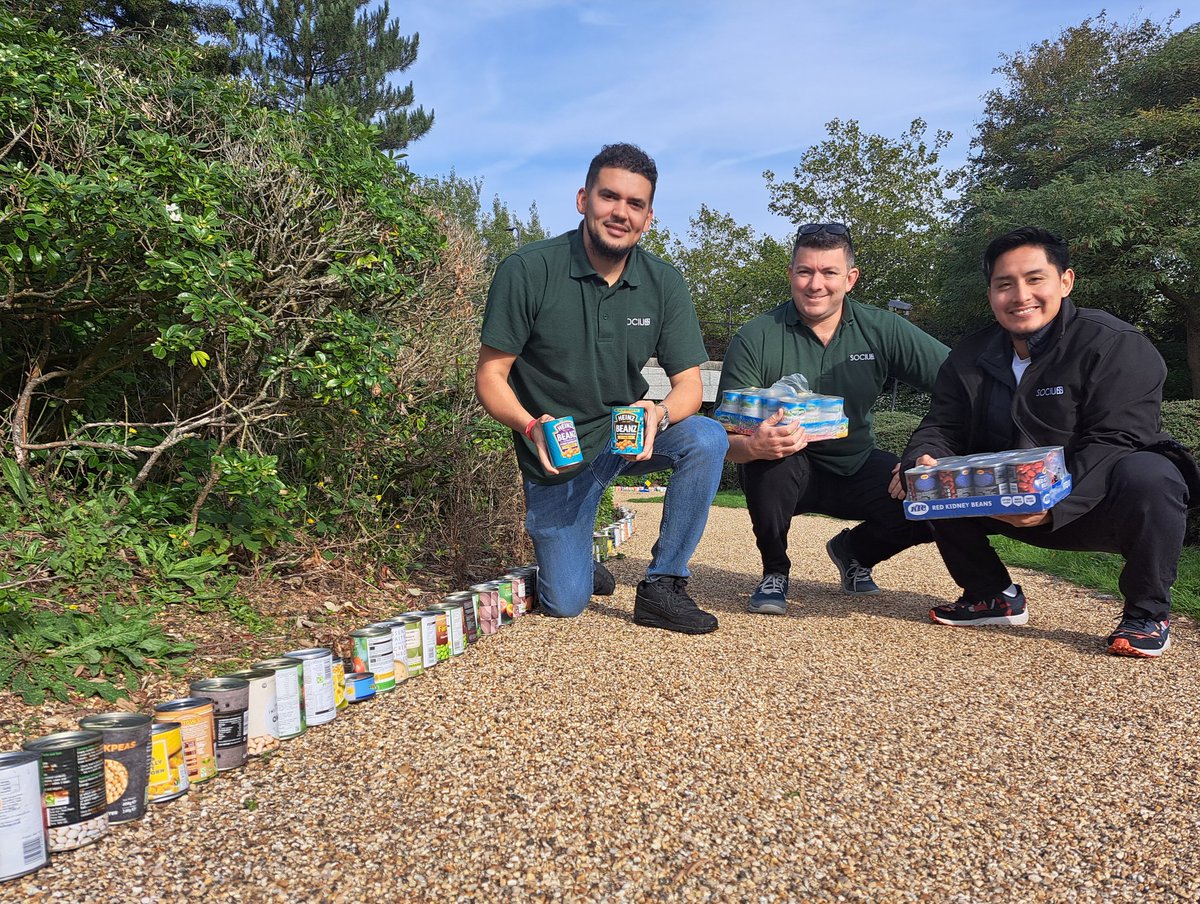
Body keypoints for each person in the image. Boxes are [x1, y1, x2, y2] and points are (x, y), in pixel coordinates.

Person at [896, 225, 1198, 658]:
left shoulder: (1115, 344)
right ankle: (991, 594)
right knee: (931, 478)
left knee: (1152, 472)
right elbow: (941, 425)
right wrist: (923, 459)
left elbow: (1116, 439)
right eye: (1005, 284)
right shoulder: (968, 355)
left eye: (1034, 279)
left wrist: (1052, 505)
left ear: (1065, 281)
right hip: (1004, 498)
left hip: (1094, 503)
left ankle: (1147, 613)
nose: (1020, 295)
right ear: (991, 294)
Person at [475, 143, 728, 635]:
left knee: (706, 437)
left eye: (635, 204)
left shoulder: (664, 282)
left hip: (625, 436)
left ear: (649, 218)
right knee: (565, 603)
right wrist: (530, 426)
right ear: (582, 199)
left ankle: (663, 585)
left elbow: (690, 386)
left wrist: (660, 415)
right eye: (609, 197)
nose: (620, 213)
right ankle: (573, 562)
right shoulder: (528, 270)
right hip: (558, 452)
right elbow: (490, 377)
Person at [719, 223, 949, 614]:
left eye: (829, 272)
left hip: (855, 462)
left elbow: (958, 383)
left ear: (850, 278)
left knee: (929, 498)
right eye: (805, 271)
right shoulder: (755, 336)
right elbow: (721, 436)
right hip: (789, 466)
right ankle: (774, 571)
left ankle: (853, 551)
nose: (815, 284)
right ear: (790, 274)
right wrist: (752, 445)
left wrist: (925, 451)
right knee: (768, 462)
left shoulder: (884, 328)